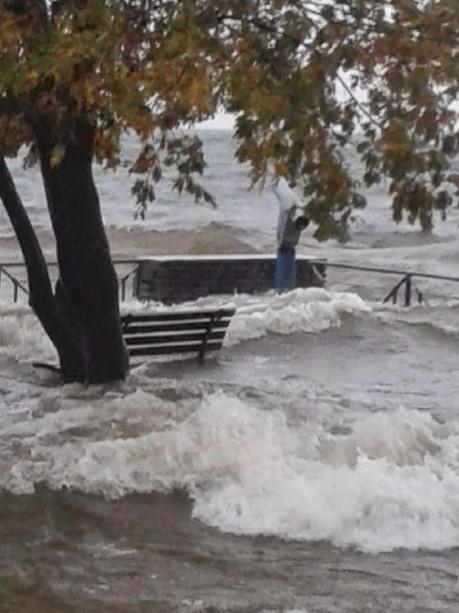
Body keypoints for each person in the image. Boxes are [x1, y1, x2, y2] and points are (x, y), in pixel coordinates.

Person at [272, 177, 310, 293]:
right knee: (283, 274)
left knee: (288, 275)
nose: (303, 229)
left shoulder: (297, 228)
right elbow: (288, 214)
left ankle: (286, 290)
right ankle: (281, 290)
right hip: (284, 249)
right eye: (303, 227)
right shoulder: (291, 224)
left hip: (290, 250)